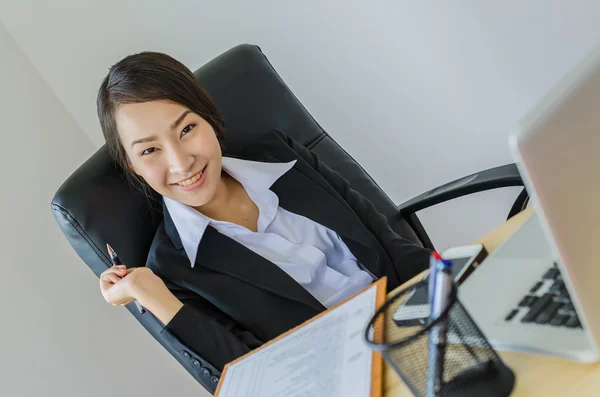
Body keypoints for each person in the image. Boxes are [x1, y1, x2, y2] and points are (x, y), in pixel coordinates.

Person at [97, 51, 431, 371]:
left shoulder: (280, 155)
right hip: (356, 376)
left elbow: (390, 245)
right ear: (132, 165)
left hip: (423, 319)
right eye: (151, 150)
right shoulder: (174, 269)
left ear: (207, 117)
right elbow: (256, 375)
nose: (181, 163)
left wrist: (454, 291)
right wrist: (149, 294)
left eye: (186, 129)